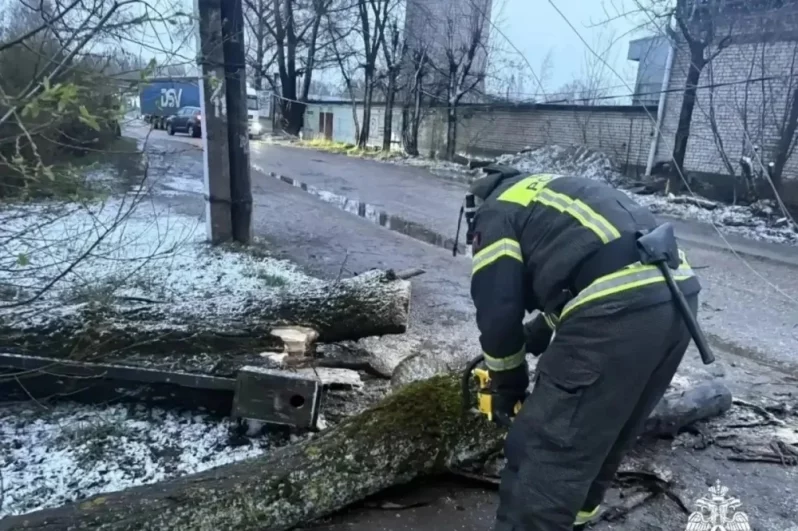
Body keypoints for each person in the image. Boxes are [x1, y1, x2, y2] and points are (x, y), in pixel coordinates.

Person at [465, 167, 702, 531]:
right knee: (610, 422)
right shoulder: (547, 192)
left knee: (544, 447)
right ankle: (579, 515)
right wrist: (535, 334)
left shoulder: (496, 212)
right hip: (677, 297)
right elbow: (588, 270)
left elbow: (497, 312)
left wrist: (506, 384)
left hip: (619, 306)